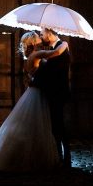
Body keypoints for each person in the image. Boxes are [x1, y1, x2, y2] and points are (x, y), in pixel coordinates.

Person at [0, 31, 61, 171]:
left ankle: (33, 155)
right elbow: (56, 53)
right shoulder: (36, 55)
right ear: (33, 43)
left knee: (32, 126)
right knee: (34, 125)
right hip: (36, 96)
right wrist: (62, 42)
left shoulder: (31, 56)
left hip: (36, 93)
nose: (41, 39)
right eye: (38, 38)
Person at [30, 27, 72, 168]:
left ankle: (65, 158)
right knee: (55, 125)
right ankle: (59, 156)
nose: (41, 37)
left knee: (59, 124)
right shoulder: (57, 48)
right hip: (51, 93)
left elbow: (54, 72)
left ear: (49, 33)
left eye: (42, 34)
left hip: (58, 93)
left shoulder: (62, 47)